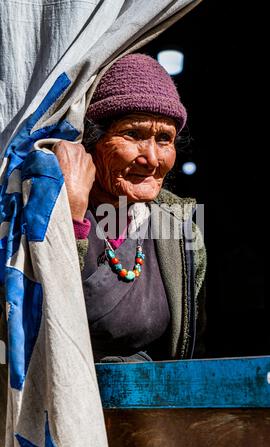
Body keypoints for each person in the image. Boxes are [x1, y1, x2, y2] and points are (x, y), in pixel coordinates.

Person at [53, 53, 206, 363]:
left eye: (164, 139)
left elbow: (192, 342)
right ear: (93, 140)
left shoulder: (180, 230)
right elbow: (38, 313)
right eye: (133, 134)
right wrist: (68, 218)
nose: (151, 158)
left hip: (143, 404)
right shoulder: (53, 207)